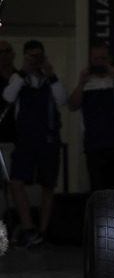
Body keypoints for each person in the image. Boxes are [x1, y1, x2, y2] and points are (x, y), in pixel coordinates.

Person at [2, 40, 66, 247]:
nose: (35, 60)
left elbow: (61, 100)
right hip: (25, 140)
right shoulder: (18, 78)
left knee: (48, 185)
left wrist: (51, 74)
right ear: (24, 57)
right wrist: (23, 72)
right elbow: (8, 96)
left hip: (48, 140)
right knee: (16, 182)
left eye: (38, 56)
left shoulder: (52, 79)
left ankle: (43, 230)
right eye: (31, 57)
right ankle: (28, 228)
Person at [67, 40, 114, 192]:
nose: (100, 62)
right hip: (95, 147)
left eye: (103, 58)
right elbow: (72, 105)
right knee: (100, 192)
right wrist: (81, 83)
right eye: (96, 59)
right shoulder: (84, 82)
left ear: (110, 59)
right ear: (91, 61)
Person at [0, 40, 17, 143]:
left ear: (13, 54)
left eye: (7, 51)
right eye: (0, 52)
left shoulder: (21, 78)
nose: (4, 55)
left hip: (19, 137)